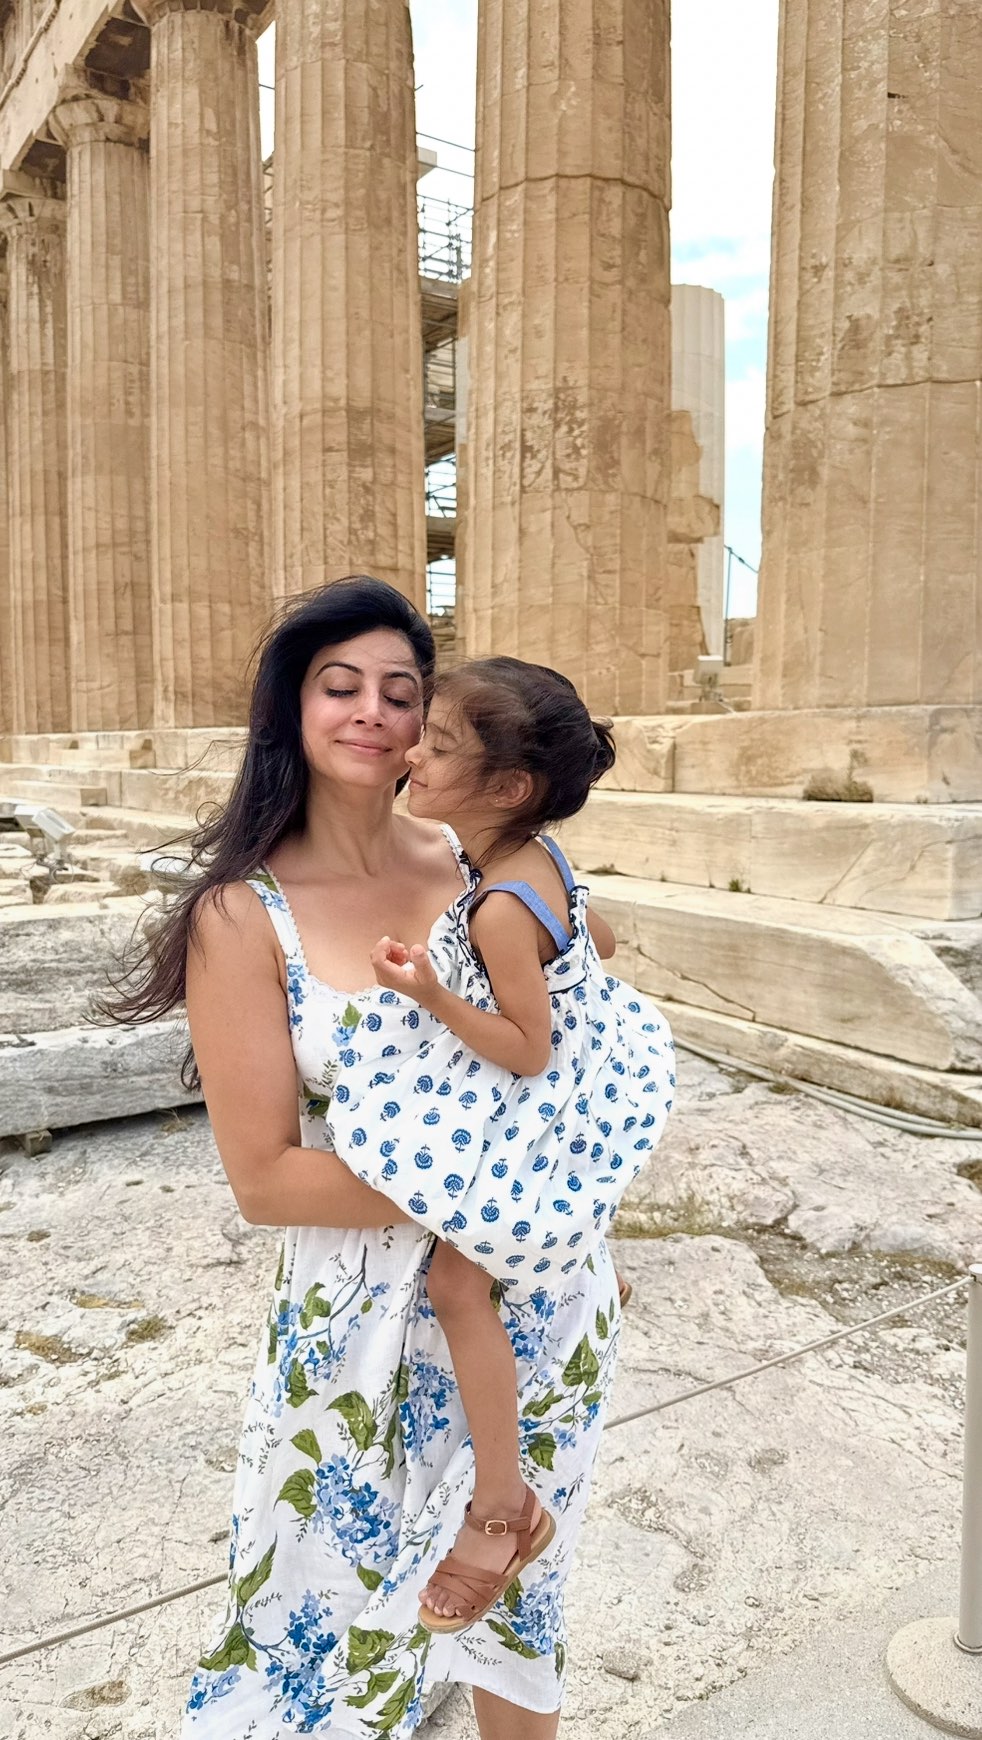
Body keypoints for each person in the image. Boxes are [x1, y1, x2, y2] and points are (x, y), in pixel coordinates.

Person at [105, 576, 674, 1740]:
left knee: (520, 1622)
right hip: (356, 1327)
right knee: (315, 1630)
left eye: (401, 691)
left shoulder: (481, 860)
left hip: (532, 1303)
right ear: (291, 707)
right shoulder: (241, 914)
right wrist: (501, 1189)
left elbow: (584, 990)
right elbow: (266, 1179)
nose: (372, 711)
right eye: (339, 685)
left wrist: (567, 1212)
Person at [325, 658, 675, 1634]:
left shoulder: (497, 906)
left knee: (456, 1285)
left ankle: (501, 1508)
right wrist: (547, 958)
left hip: (541, 1094)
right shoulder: (530, 858)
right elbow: (598, 939)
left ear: (509, 787)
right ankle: (587, 1258)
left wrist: (435, 993)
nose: (411, 754)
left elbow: (526, 1051)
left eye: (437, 746)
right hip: (586, 1070)